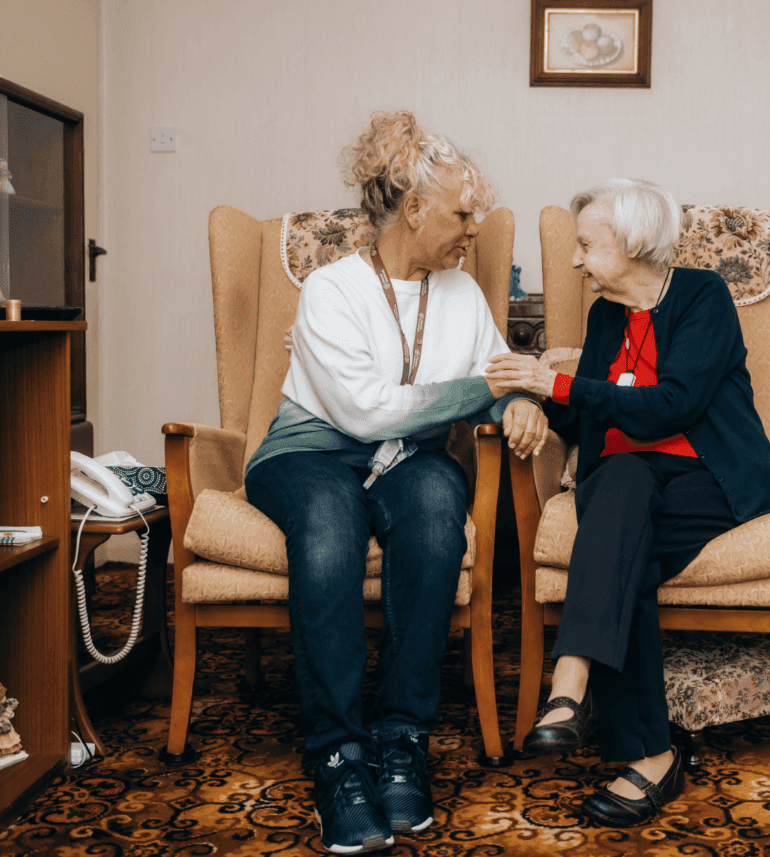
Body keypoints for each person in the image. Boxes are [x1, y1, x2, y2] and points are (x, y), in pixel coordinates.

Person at [244, 110, 547, 854]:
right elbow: (363, 409)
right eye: (462, 213)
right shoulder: (331, 289)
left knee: (441, 506)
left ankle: (402, 735)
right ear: (413, 208)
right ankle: (338, 756)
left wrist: (518, 402)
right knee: (329, 523)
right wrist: (484, 387)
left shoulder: (462, 292)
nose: (474, 227)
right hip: (310, 453)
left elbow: (497, 370)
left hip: (406, 458)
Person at [486, 178, 770, 828]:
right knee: (622, 503)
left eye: (586, 245)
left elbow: (672, 403)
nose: (574, 261)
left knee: (620, 522)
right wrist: (531, 406)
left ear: (631, 242)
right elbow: (588, 407)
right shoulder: (605, 318)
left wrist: (554, 380)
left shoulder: (703, 296)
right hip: (628, 483)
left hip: (709, 479)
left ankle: (583, 695)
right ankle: (625, 734)